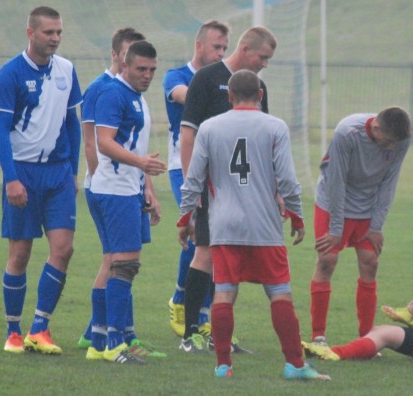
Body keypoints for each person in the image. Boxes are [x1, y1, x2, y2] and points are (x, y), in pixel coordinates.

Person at [177, 69, 329, 380]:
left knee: (224, 293)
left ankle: (223, 366)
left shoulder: (209, 127)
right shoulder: (274, 127)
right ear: (260, 95)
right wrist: (297, 216)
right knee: (279, 293)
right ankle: (295, 365)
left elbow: (193, 178)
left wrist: (185, 217)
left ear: (229, 96)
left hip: (224, 225)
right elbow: (287, 179)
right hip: (264, 226)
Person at [177, 26, 277, 353]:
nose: (264, 63)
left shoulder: (257, 87)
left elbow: (264, 141)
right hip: (213, 187)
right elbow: (189, 134)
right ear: (246, 49)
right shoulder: (206, 79)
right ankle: (191, 334)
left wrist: (272, 188)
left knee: (230, 260)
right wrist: (193, 191)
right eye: (262, 57)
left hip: (247, 190)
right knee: (205, 254)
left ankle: (218, 334)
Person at [0, 6, 82, 354]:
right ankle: (13, 332)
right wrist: (11, 179)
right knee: (21, 252)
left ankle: (40, 329)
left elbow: (72, 123)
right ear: (31, 33)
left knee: (64, 249)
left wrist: (73, 171)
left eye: (59, 32)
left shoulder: (68, 70)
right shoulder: (11, 73)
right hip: (23, 173)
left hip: (58, 173)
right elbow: (0, 130)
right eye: (49, 33)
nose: (56, 38)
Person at [79, 28, 165, 360]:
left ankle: (101, 344)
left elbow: (130, 144)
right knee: (124, 264)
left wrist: (145, 184)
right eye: (141, 69)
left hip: (125, 190)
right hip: (113, 190)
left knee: (121, 263)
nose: (147, 75)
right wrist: (141, 163)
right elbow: (104, 142)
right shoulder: (113, 94)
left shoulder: (134, 96)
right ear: (124, 64)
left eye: (152, 70)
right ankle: (115, 344)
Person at [308, 107, 412, 347]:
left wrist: (377, 226)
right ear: (375, 128)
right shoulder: (347, 132)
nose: (391, 148)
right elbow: (336, 181)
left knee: (370, 262)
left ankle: (367, 337)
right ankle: (318, 336)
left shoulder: (401, 140)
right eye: (388, 142)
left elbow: (389, 183)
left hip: (368, 205)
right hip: (333, 203)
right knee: (327, 261)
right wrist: (335, 229)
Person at [162, 20, 230, 339]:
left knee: (218, 242)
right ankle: (180, 301)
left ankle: (205, 319)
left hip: (219, 170)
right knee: (195, 233)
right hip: (184, 167)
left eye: (225, 49)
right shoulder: (177, 77)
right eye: (216, 47)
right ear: (199, 45)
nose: (221, 54)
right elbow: (187, 97)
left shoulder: (224, 80)